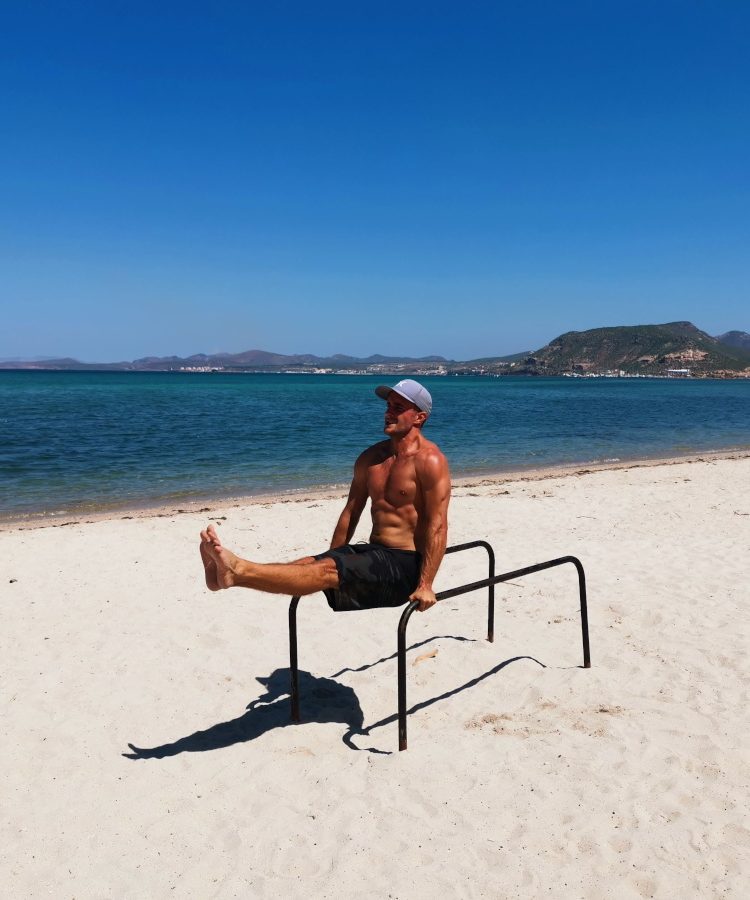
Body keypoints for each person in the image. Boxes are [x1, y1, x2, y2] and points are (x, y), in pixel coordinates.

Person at [200, 379, 451, 612]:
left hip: (406, 565)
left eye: (398, 407)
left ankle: (237, 570)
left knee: (324, 570)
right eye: (388, 405)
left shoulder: (430, 461)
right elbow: (351, 512)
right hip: (375, 553)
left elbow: (437, 525)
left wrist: (426, 584)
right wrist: (334, 556)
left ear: (419, 417)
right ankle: (228, 577)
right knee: (309, 564)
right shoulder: (371, 459)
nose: (388, 412)